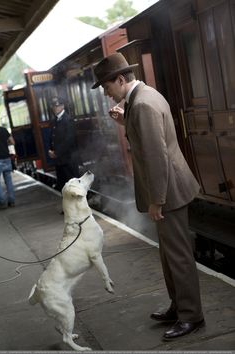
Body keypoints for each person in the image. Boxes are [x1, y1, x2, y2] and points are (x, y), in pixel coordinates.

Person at [92, 53, 204, 341]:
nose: (107, 94)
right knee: (169, 254)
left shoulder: (141, 105)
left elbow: (156, 156)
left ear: (120, 79)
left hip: (170, 192)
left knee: (178, 256)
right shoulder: (144, 96)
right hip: (172, 187)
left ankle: (191, 316)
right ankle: (179, 306)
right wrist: (123, 122)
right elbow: (148, 140)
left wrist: (157, 200)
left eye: (107, 87)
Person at [48, 96, 78, 192]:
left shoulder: (68, 120)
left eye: (56, 106)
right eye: (53, 106)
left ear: (62, 106)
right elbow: (52, 138)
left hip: (69, 159)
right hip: (59, 160)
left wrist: (56, 152)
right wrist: (51, 150)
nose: (54, 108)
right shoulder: (54, 120)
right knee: (64, 186)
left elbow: (69, 140)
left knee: (73, 185)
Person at [0, 125, 15, 209]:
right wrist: (5, 144)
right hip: (6, 158)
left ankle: (2, 202)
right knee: (8, 181)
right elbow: (12, 142)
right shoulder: (3, 130)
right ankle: (12, 201)